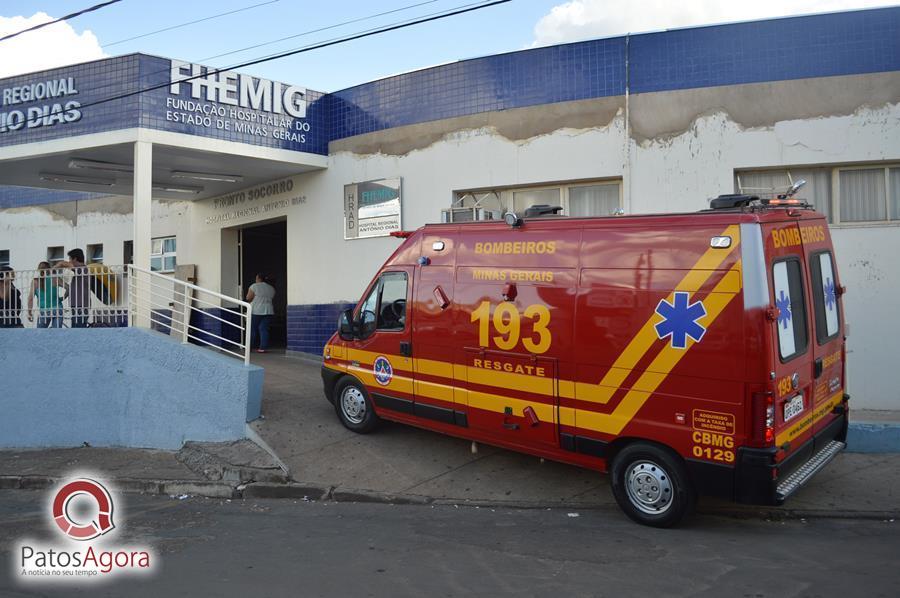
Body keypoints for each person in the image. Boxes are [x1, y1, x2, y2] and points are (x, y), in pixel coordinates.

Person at [56, 248, 92, 328]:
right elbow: (71, 287)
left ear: (75, 258)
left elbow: (65, 264)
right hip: (76, 304)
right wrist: (64, 297)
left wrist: (56, 266)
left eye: (70, 259)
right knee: (75, 328)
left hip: (81, 305)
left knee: (78, 330)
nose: (69, 261)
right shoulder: (77, 272)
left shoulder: (82, 269)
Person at [28, 262, 66, 328]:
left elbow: (30, 298)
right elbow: (68, 288)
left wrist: (29, 312)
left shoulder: (35, 281)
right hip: (57, 309)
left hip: (44, 311)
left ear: (39, 270)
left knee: (40, 335)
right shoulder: (55, 279)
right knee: (57, 334)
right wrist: (63, 298)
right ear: (49, 269)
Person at [246, 273, 275, 353]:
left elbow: (248, 298)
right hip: (268, 311)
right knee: (264, 329)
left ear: (258, 278)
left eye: (256, 278)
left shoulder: (254, 286)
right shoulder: (271, 288)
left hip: (256, 310)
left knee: (252, 329)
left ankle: (249, 347)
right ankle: (263, 348)